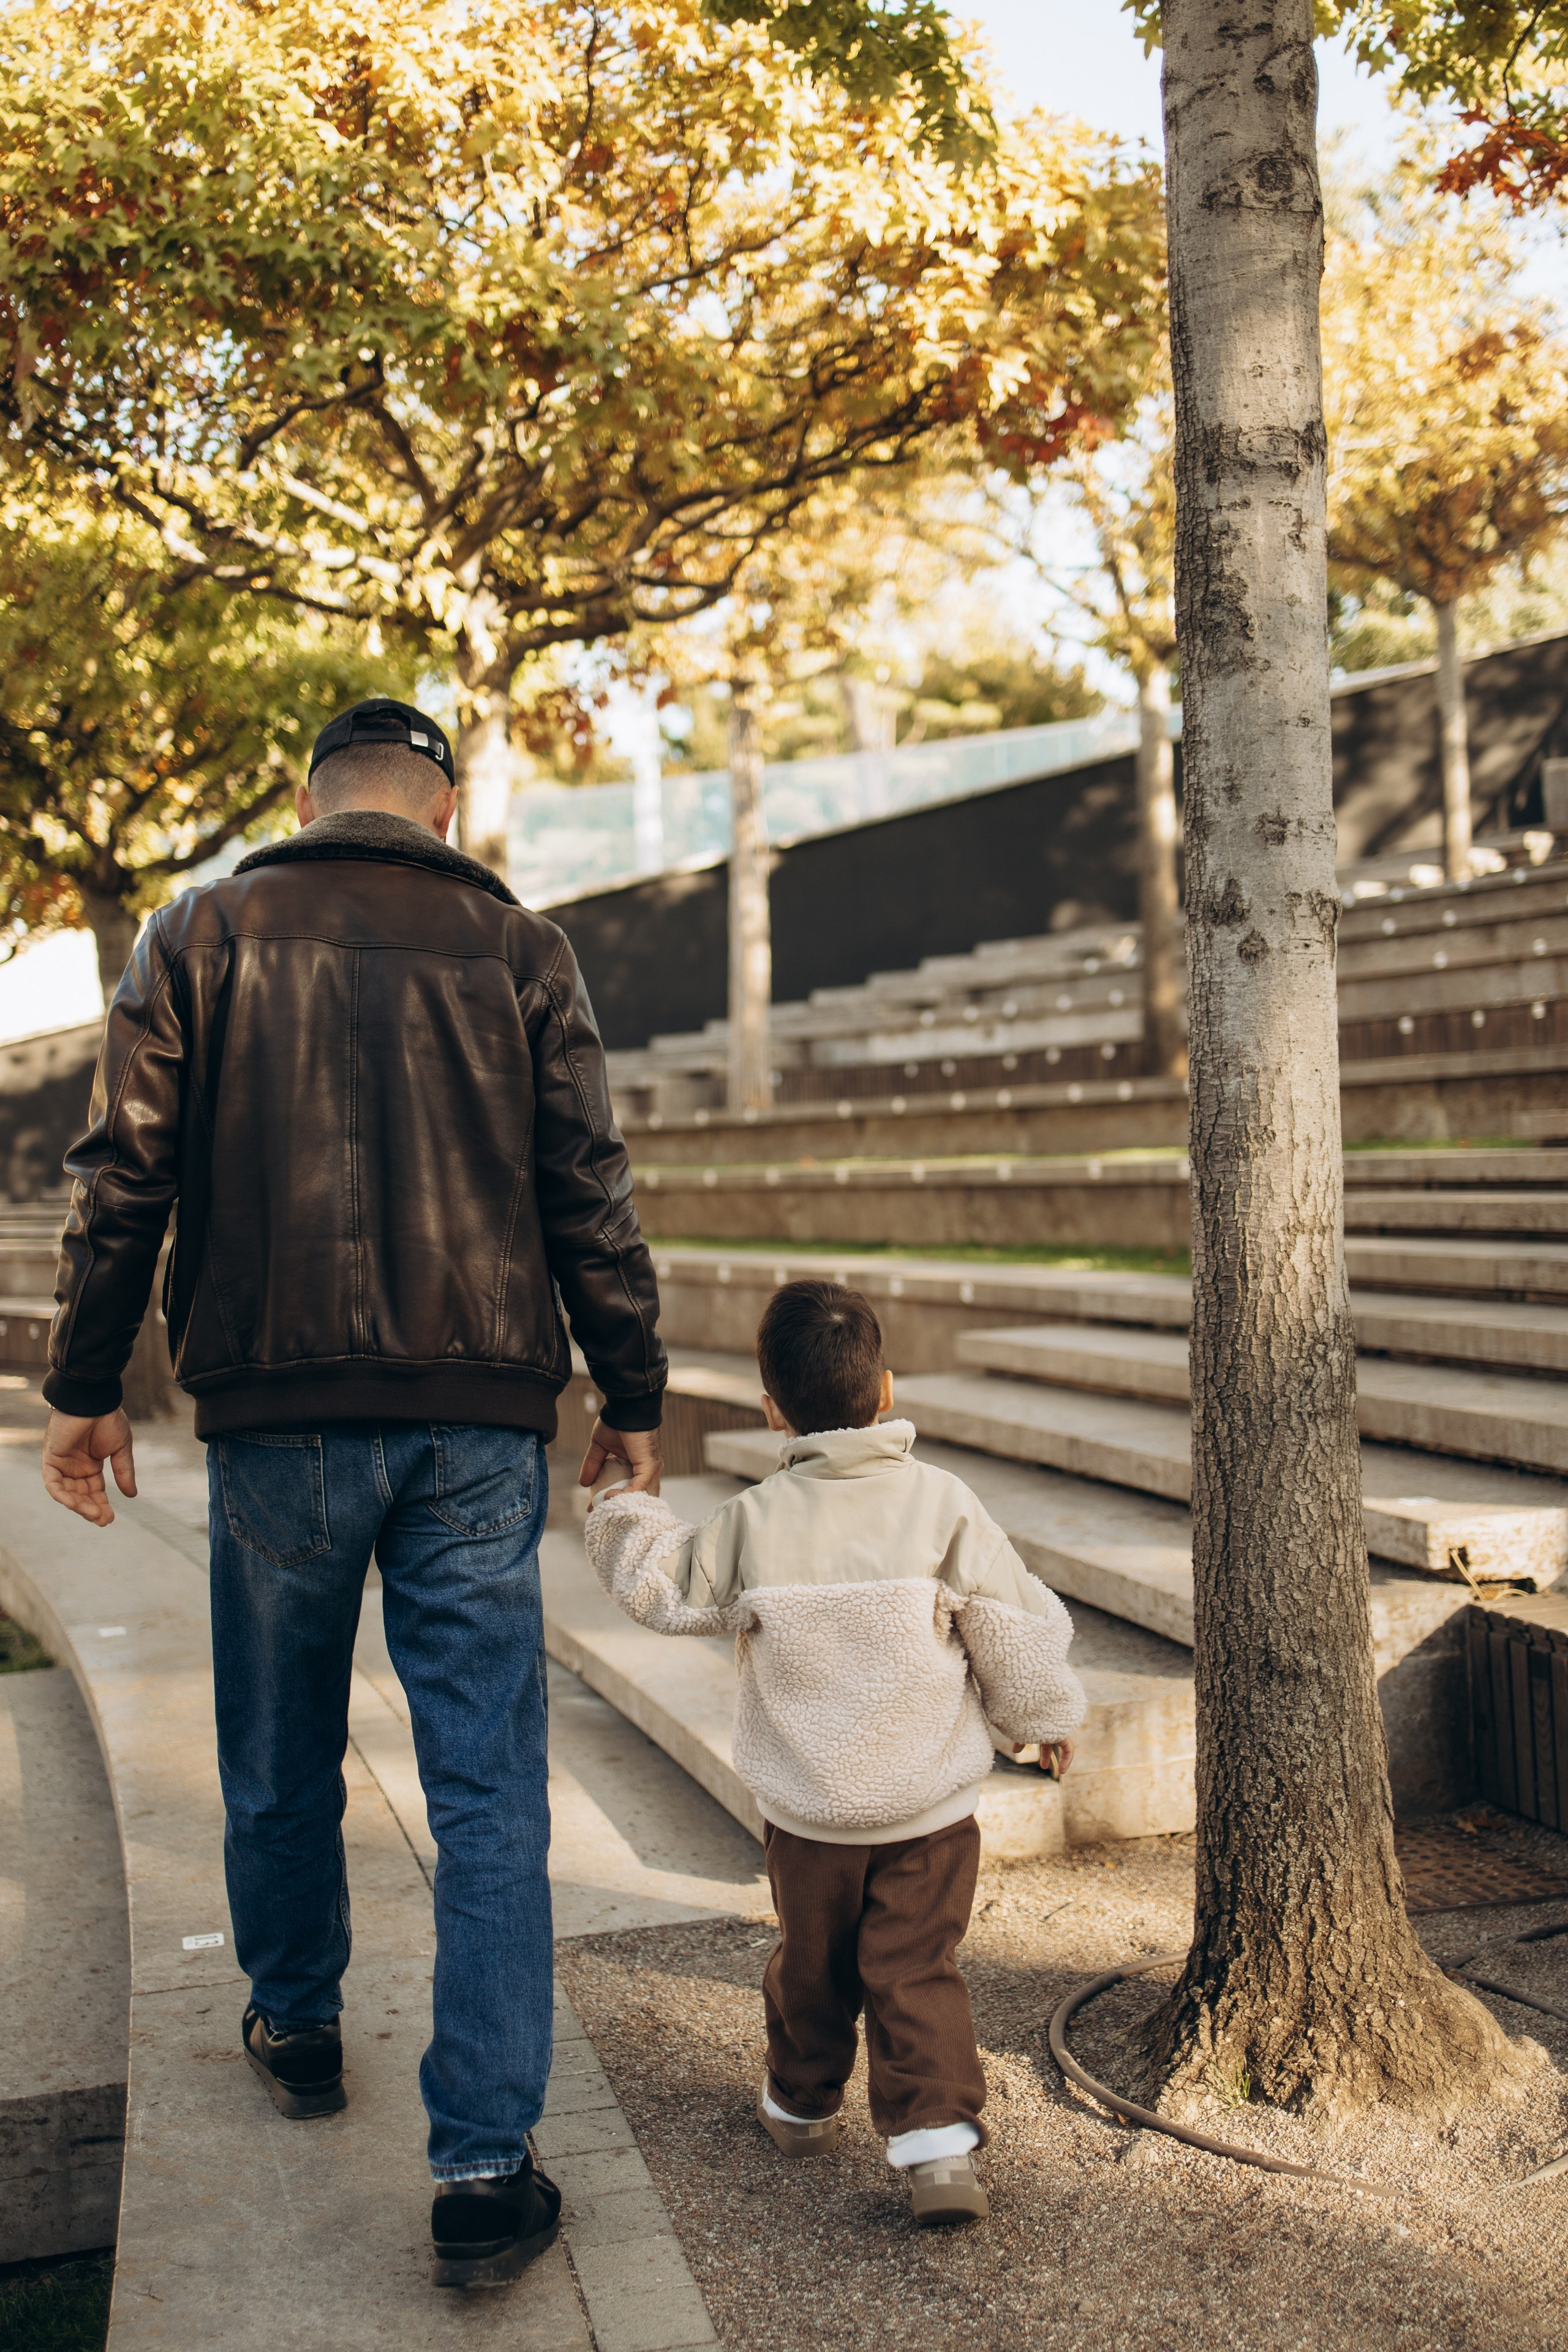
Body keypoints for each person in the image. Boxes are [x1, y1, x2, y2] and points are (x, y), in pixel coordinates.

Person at [39, 696, 666, 2291]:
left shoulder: (202, 930)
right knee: (486, 1789)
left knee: (277, 1739)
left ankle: (301, 2024)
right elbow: (585, 1185)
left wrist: (84, 1386)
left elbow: (128, 1173)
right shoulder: (523, 951)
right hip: (477, 1420)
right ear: (445, 810)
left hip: (275, 1413)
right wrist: (632, 1397)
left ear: (307, 800)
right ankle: (480, 2170)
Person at [584, 1277, 1084, 2226]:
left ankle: (801, 2103)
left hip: (809, 1816)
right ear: (886, 1391)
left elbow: (666, 1589)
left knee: (809, 1965)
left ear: (774, 1410)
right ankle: (936, 2145)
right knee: (916, 1967)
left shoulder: (756, 1517)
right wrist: (1041, 1716)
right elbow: (1011, 1625)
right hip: (929, 1814)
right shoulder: (944, 1503)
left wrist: (626, 1508)